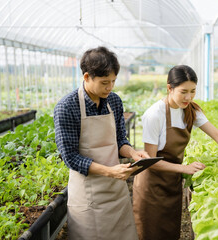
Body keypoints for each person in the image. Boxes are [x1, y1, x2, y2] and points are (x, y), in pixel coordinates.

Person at [132, 65, 218, 240]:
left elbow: (217, 134)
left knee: (170, 232)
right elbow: (150, 161)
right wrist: (184, 168)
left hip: (171, 184)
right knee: (150, 233)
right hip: (151, 187)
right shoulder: (154, 114)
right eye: (183, 92)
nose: (188, 97)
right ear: (169, 88)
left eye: (193, 91)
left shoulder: (190, 110)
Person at [54, 46, 148, 240]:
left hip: (116, 193)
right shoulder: (67, 107)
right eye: (105, 82)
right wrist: (110, 171)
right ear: (87, 77)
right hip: (88, 196)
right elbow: (70, 157)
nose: (110, 87)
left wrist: (132, 153)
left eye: (113, 81)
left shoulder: (114, 101)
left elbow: (120, 139)